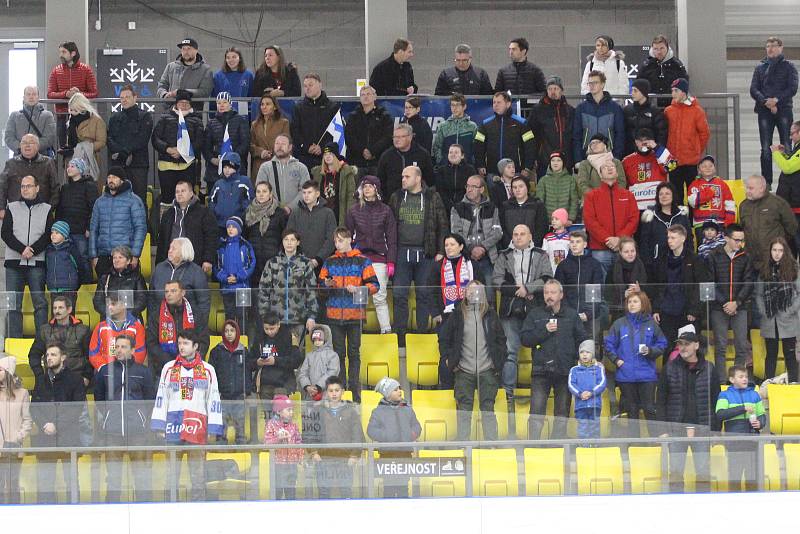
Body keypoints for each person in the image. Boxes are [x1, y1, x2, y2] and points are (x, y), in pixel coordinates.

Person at [151, 329, 223, 501]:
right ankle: (170, 506)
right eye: (179, 343)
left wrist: (213, 428)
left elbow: (213, 399)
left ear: (196, 346)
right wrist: (159, 425)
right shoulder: (169, 368)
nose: (181, 347)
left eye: (185, 343)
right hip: (173, 424)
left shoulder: (208, 370)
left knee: (198, 475)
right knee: (171, 475)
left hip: (197, 425)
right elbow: (162, 397)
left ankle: (198, 508)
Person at [521, 279, 590, 440]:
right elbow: (525, 339)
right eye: (546, 292)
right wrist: (543, 331)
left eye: (553, 292)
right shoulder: (535, 314)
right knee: (536, 413)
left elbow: (582, 339)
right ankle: (533, 446)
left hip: (565, 371)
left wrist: (585, 357)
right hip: (540, 371)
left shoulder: (572, 315)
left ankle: (557, 446)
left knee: (562, 414)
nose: (549, 296)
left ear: (561, 295)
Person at [657, 325, 721, 493]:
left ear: (696, 345)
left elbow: (716, 402)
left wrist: (715, 430)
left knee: (703, 473)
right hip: (676, 429)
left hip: (702, 430)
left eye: (686, 344)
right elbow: (661, 401)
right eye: (680, 344)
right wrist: (663, 429)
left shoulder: (709, 368)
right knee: (676, 473)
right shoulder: (669, 368)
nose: (683, 347)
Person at [438, 281, 505, 440]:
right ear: (465, 293)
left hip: (487, 369)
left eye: (477, 290)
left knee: (488, 409)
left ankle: (491, 445)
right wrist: (448, 359)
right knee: (464, 411)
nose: (472, 293)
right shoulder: (457, 315)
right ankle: (462, 446)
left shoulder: (491, 314)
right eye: (469, 290)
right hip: (463, 370)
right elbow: (444, 338)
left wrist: (498, 362)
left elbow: (501, 340)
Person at [388, 166, 449, 341]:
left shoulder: (432, 196)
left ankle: (421, 334)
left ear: (418, 178)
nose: (403, 179)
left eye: (407, 176)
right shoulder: (397, 197)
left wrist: (440, 251)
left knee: (424, 294)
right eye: (402, 176)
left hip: (426, 253)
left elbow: (442, 224)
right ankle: (400, 336)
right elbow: (389, 226)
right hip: (401, 252)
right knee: (399, 295)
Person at [93, 333, 155, 502]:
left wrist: (141, 417)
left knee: (141, 475)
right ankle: (111, 510)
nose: (119, 350)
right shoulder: (105, 371)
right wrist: (108, 415)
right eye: (117, 346)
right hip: (112, 431)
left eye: (123, 347)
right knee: (113, 477)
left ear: (133, 350)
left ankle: (144, 507)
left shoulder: (143, 371)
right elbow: (99, 398)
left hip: (137, 432)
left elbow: (150, 399)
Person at [320, 227, 379, 402]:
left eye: (340, 240)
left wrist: (360, 289)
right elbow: (320, 285)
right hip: (334, 314)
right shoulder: (329, 262)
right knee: (338, 353)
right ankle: (341, 389)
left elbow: (375, 286)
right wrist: (327, 284)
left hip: (355, 315)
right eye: (335, 241)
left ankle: (355, 389)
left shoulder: (363, 261)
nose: (337, 244)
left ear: (348, 240)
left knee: (354, 353)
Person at [493, 224, 553, 396]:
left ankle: (538, 391)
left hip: (535, 309)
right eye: (515, 234)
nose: (518, 237)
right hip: (510, 309)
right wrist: (518, 291)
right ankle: (508, 393)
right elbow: (497, 280)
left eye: (522, 234)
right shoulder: (504, 255)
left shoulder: (541, 255)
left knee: (539, 351)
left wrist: (528, 288)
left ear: (530, 236)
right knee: (510, 351)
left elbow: (547, 277)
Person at [604, 291, 667, 437]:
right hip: (626, 375)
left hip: (647, 375)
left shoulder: (652, 324)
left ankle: (656, 440)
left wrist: (651, 351)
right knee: (631, 410)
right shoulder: (619, 323)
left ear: (643, 304)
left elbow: (663, 343)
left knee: (649, 408)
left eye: (635, 301)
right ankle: (634, 441)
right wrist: (617, 360)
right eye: (629, 302)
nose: (631, 304)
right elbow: (608, 344)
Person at [30, 343, 87, 503]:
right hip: (44, 437)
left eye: (53, 355)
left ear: (63, 357)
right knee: (45, 482)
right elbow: (34, 407)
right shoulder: (41, 380)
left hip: (69, 436)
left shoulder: (75, 379)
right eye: (47, 355)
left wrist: (57, 425)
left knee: (71, 480)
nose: (49, 358)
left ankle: (74, 510)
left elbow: (76, 408)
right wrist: (44, 425)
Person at [2, 174, 53, 335]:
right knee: (13, 304)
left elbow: (48, 234)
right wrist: (22, 249)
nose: (25, 189)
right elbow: (6, 233)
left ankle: (42, 341)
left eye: (29, 186)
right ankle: (14, 340)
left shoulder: (47, 209)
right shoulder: (12, 207)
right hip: (13, 263)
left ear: (37, 188)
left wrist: (33, 250)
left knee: (40, 304)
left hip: (36, 263)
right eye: (23, 186)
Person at [346, 175, 397, 334]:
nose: (366, 189)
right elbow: (347, 236)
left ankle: (386, 331)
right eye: (364, 186)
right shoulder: (353, 210)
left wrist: (391, 261)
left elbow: (392, 237)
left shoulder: (386, 210)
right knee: (359, 297)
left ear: (376, 189)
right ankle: (357, 332)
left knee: (379, 296)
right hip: (358, 259)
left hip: (379, 258)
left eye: (370, 186)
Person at [649, 225, 709, 352]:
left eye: (673, 237)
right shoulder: (662, 259)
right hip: (667, 311)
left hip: (687, 312)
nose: (669, 240)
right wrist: (656, 309)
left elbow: (700, 286)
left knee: (689, 349)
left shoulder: (695, 259)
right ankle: (669, 372)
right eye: (668, 237)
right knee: (667, 348)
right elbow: (657, 286)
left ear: (683, 238)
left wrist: (694, 310)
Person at [303, 375, 364, 499]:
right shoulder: (318, 410)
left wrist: (354, 455)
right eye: (331, 391)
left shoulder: (351, 411)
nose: (334, 394)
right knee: (324, 492)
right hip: (323, 459)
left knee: (346, 492)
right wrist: (314, 453)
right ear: (326, 392)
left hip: (345, 460)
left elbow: (357, 434)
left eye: (337, 390)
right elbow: (309, 433)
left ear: (343, 392)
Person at [707, 224, 755, 380]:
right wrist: (725, 303)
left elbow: (748, 282)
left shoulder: (746, 257)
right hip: (718, 307)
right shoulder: (714, 256)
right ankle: (721, 380)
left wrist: (737, 302)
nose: (739, 244)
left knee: (741, 346)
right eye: (736, 240)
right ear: (726, 238)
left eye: (742, 240)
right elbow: (710, 283)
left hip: (739, 307)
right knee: (720, 346)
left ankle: (738, 379)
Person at [750, 37, 798, 187]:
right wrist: (766, 102)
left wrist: (776, 100)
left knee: (787, 144)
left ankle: (790, 178)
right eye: (768, 46)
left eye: (773, 46)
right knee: (765, 147)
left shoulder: (789, 67)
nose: (770, 48)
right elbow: (754, 89)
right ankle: (767, 182)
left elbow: (792, 88)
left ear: (781, 48)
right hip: (764, 111)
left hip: (784, 110)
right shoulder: (760, 68)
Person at [450, 175, 503, 303]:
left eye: (473, 187)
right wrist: (472, 248)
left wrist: (483, 247)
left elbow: (497, 232)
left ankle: (490, 323)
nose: (469, 189)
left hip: (488, 258)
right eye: (467, 186)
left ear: (482, 189)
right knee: (466, 297)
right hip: (466, 258)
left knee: (489, 295)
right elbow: (456, 233)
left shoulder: (492, 207)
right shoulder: (457, 208)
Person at [257, 229, 319, 340]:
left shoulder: (305, 263)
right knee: (276, 355)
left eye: (292, 239)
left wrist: (311, 316)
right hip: (275, 322)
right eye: (286, 239)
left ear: (298, 242)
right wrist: (265, 316)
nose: (289, 242)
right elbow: (263, 291)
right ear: (282, 242)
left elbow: (312, 291)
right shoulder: (273, 263)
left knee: (297, 355)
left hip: (298, 319)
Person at [754, 237, 800, 382]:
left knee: (790, 354)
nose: (777, 253)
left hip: (789, 318)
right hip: (769, 318)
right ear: (770, 251)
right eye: (774, 250)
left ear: (785, 252)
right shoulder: (764, 269)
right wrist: (764, 311)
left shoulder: (793, 269)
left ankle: (793, 383)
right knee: (771, 354)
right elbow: (759, 294)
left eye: (780, 250)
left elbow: (799, 293)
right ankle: (769, 384)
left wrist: (790, 309)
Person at [583, 161, 639, 276]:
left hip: (623, 248)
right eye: (605, 167)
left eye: (612, 166)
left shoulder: (628, 195)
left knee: (624, 284)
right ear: (600, 174)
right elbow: (590, 221)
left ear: (617, 173)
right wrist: (607, 239)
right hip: (600, 249)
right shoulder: (591, 196)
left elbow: (633, 219)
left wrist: (620, 239)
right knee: (601, 285)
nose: (609, 169)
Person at [368, 377, 421, 499]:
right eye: (395, 389)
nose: (399, 391)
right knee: (389, 489)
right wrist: (387, 436)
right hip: (387, 456)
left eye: (400, 388)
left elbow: (417, 426)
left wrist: (411, 435)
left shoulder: (407, 409)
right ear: (387, 394)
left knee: (403, 488)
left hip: (405, 455)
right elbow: (371, 430)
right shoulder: (378, 411)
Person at [716, 365, 766, 492]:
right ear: (732, 379)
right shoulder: (724, 395)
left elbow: (762, 415)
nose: (745, 379)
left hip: (753, 440)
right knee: (735, 475)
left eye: (746, 377)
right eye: (741, 377)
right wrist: (742, 408)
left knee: (753, 476)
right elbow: (720, 414)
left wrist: (760, 423)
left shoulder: (754, 394)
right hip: (734, 441)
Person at [88, 167, 147, 277]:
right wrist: (94, 256)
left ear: (122, 180)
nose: (111, 180)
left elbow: (140, 228)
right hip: (104, 256)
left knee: (125, 293)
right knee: (104, 292)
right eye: (109, 177)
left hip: (125, 256)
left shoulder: (134, 200)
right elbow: (93, 229)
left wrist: (134, 255)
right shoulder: (99, 202)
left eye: (114, 177)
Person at [150, 90, 204, 208]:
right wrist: (168, 149)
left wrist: (183, 152)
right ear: (176, 104)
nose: (183, 105)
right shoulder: (165, 118)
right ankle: (166, 224)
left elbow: (200, 141)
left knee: (186, 201)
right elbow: (155, 138)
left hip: (187, 166)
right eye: (181, 102)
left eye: (186, 103)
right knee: (167, 201)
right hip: (166, 166)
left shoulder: (197, 120)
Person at [146, 279, 210, 374]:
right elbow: (151, 344)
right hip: (164, 369)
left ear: (183, 292)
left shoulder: (195, 313)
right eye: (166, 291)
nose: (169, 294)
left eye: (173, 291)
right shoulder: (156, 315)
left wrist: (192, 360)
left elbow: (203, 340)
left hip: (192, 368)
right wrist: (171, 363)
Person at [739, 174, 798, 272]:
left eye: (751, 188)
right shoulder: (743, 206)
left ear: (761, 188)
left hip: (773, 261)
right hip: (751, 261)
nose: (747, 191)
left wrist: (779, 243)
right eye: (747, 188)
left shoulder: (778, 203)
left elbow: (792, 228)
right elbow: (742, 228)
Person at [28, 294, 91, 386]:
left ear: (69, 309)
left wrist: (87, 376)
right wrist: (40, 376)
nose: (57, 311)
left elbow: (90, 356)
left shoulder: (83, 330)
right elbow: (34, 355)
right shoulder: (44, 330)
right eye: (54, 308)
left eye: (61, 307)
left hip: (76, 377)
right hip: (52, 378)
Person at [665, 78, 711, 204]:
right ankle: (679, 221)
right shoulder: (668, 111)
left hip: (691, 161)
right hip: (673, 160)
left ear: (684, 92)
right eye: (672, 91)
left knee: (693, 194)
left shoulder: (697, 111)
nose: (673, 94)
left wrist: (696, 150)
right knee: (676, 195)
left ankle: (692, 222)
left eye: (676, 90)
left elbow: (704, 133)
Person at [554, 231, 607, 339]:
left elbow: (597, 292)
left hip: (590, 315)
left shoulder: (594, 264)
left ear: (585, 244)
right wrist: (569, 313)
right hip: (568, 314)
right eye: (572, 242)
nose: (574, 244)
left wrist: (588, 314)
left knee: (590, 345)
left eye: (578, 242)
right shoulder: (563, 265)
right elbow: (559, 292)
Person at [149, 239, 211, 333]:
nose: (169, 250)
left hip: (188, 326)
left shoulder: (196, 271)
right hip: (161, 323)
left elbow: (204, 302)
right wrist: (153, 322)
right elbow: (151, 298)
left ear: (184, 251)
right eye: (170, 248)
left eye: (173, 248)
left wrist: (200, 327)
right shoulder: (159, 268)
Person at [156, 179, 218, 272]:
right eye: (177, 191)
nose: (179, 194)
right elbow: (162, 242)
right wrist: (159, 264)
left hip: (194, 263)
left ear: (191, 193)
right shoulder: (168, 214)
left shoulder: (204, 212)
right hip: (170, 263)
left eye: (183, 191)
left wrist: (208, 259)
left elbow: (211, 236)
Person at [106, 84, 154, 205]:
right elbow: (109, 138)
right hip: (119, 164)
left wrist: (126, 151)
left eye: (127, 96)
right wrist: (120, 152)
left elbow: (142, 139)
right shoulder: (114, 117)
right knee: (117, 199)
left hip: (138, 165)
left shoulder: (145, 116)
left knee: (138, 199)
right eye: (122, 97)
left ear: (135, 97)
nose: (124, 100)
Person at [474, 91, 535, 179]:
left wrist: (527, 167)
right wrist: (480, 165)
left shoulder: (522, 123)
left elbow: (530, 146)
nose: (495, 105)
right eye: (494, 102)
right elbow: (478, 146)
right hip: (492, 172)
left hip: (516, 172)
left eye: (499, 102)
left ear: (508, 104)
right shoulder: (485, 124)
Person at [47, 42, 98, 145]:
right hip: (62, 115)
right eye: (60, 52)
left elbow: (94, 93)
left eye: (64, 52)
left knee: (84, 145)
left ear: (73, 53)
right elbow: (50, 94)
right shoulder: (56, 71)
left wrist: (78, 94)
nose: (61, 55)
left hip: (83, 116)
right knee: (63, 147)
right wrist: (66, 94)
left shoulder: (86, 70)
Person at [208, 320, 250, 444]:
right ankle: (221, 443)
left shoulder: (243, 351)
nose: (229, 334)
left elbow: (247, 373)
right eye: (226, 331)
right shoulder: (216, 351)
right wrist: (215, 392)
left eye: (232, 330)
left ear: (237, 332)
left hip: (239, 395)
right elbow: (212, 373)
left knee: (240, 421)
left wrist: (246, 391)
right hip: (222, 395)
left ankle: (241, 444)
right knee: (222, 422)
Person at [527, 77, 575, 176]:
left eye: (556, 88)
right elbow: (531, 135)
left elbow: (574, 136)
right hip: (545, 161)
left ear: (561, 91)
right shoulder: (537, 110)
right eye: (550, 89)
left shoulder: (570, 110)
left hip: (566, 161)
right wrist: (534, 157)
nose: (553, 92)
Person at [638, 181, 692, 271]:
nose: (664, 196)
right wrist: (648, 264)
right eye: (661, 194)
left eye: (667, 193)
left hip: (680, 264)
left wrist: (689, 261)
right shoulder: (650, 216)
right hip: (656, 265)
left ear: (673, 196)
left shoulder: (682, 216)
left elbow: (689, 239)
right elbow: (644, 243)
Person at [573, 71, 625, 163]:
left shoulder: (615, 108)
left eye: (595, 82)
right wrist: (578, 160)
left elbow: (620, 135)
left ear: (603, 84)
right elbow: (576, 136)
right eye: (590, 83)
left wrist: (616, 157)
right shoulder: (581, 108)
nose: (592, 85)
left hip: (609, 157)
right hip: (587, 157)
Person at [245, 180, 289, 288]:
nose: (261, 194)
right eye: (258, 192)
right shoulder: (248, 213)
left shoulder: (280, 213)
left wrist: (279, 254)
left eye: (264, 191)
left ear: (270, 193)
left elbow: (285, 235)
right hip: (253, 260)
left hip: (273, 260)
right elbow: (245, 236)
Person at [0, 355, 32, 503]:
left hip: (13, 446)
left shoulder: (22, 393)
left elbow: (27, 420)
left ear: (8, 372)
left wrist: (18, 437)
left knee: (13, 484)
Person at [290, 73, 339, 169]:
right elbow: (295, 132)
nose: (307, 88)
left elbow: (335, 135)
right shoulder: (298, 108)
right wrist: (307, 147)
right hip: (303, 159)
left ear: (320, 85)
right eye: (305, 86)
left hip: (326, 158)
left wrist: (323, 148)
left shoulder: (332, 107)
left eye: (310, 85)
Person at [286, 180, 337, 271]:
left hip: (322, 264)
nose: (306, 195)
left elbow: (331, 239)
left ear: (317, 194)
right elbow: (289, 236)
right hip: (298, 264)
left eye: (309, 192)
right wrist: (296, 257)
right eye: (304, 192)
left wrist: (318, 259)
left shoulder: (328, 213)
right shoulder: (295, 213)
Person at [249, 313, 303, 401]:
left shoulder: (289, 337)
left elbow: (296, 361)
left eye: (272, 328)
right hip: (265, 383)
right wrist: (257, 362)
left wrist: (275, 361)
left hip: (284, 382)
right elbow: (249, 361)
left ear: (278, 325)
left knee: (283, 413)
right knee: (268, 414)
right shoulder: (259, 338)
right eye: (266, 329)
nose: (269, 331)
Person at [203, 92, 250, 188]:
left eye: (224, 102)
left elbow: (245, 143)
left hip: (236, 167)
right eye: (219, 103)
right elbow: (206, 146)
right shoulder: (211, 123)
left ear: (230, 103)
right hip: (215, 170)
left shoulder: (241, 120)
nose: (221, 105)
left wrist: (232, 158)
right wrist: (212, 159)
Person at [0, 134, 59, 211]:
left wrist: (49, 209)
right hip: (16, 211)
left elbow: (55, 188)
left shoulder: (48, 163)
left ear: (38, 146)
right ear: (20, 146)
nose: (27, 145)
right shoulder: (11, 163)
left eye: (31, 142)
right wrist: (2, 208)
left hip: (41, 211)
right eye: (24, 143)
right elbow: (2, 187)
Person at [88, 293, 147, 371]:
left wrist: (125, 370)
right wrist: (104, 368)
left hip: (129, 374)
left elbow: (140, 352)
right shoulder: (100, 327)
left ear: (123, 305)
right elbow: (93, 353)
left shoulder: (136, 327)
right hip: (106, 374)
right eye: (108, 304)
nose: (109, 307)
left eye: (113, 304)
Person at [215, 216, 256, 325]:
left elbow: (251, 264)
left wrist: (238, 277)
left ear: (239, 229)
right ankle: (229, 340)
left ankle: (243, 339)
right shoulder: (221, 246)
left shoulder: (245, 245)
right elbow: (217, 265)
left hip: (243, 287)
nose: (230, 229)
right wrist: (225, 278)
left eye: (234, 226)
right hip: (227, 288)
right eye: (228, 226)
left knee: (242, 316)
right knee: (229, 317)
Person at [376, 123, 435, 201]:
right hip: (392, 201)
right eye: (395, 137)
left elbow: (430, 180)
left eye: (401, 137)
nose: (397, 139)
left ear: (410, 137)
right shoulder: (386, 156)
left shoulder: (422, 154)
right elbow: (380, 180)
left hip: (417, 201)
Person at [430, 233, 475, 331]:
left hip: (469, 313)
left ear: (461, 246)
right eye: (446, 245)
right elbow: (431, 291)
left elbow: (480, 287)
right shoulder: (438, 266)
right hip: (444, 315)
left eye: (452, 244)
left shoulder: (472, 265)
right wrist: (436, 313)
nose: (448, 248)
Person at [344, 85, 393, 174]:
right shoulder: (353, 117)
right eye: (362, 95)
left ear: (375, 96)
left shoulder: (384, 116)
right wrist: (362, 150)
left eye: (368, 94)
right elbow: (349, 137)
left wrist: (372, 151)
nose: (365, 96)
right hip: (357, 163)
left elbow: (388, 137)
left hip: (378, 163)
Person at [686, 155, 736, 241]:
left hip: (720, 223)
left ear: (715, 168)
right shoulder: (694, 184)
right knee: (703, 250)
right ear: (699, 170)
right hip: (701, 224)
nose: (708, 168)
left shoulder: (722, 184)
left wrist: (729, 224)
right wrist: (710, 192)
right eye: (704, 166)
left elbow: (730, 204)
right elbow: (692, 201)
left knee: (720, 250)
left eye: (710, 165)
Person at [263, 395, 303, 500]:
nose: (291, 412)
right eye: (289, 410)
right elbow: (267, 443)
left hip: (291, 464)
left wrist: (300, 457)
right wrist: (278, 439)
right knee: (278, 491)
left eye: (292, 410)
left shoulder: (294, 426)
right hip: (277, 464)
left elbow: (298, 442)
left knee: (291, 491)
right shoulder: (271, 425)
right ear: (279, 411)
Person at [622, 129, 673, 211]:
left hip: (658, 207)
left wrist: (656, 147)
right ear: (636, 142)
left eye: (647, 140)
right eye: (640, 140)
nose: (644, 143)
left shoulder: (660, 155)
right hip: (636, 208)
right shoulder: (626, 161)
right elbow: (622, 184)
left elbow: (672, 166)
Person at [255, 134, 310, 210]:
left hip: (296, 214)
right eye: (277, 143)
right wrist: (276, 209)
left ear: (290, 147)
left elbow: (305, 191)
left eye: (283, 144)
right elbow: (261, 191)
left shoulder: (301, 168)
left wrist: (290, 207)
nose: (279, 146)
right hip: (271, 214)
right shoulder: (265, 167)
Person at [93, 245, 148, 320]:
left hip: (131, 319)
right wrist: (110, 313)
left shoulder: (137, 277)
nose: (116, 260)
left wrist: (126, 314)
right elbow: (97, 301)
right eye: (114, 258)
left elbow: (142, 300)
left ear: (128, 261)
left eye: (120, 257)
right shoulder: (105, 278)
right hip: (109, 320)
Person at [568, 340, 606, 440]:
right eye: (582, 352)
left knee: (595, 427)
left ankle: (595, 447)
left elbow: (602, 383)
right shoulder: (574, 370)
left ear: (592, 354)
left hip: (595, 404)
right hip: (580, 405)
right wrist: (580, 394)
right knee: (583, 428)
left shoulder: (598, 369)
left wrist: (591, 393)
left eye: (588, 352)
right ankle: (584, 448)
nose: (584, 355)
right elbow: (571, 385)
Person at [311, 142, 357, 224]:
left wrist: (349, 216)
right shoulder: (318, 173)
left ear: (336, 156)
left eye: (331, 154)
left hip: (340, 215)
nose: (327, 156)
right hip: (322, 216)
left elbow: (351, 195)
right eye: (325, 154)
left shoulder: (346, 172)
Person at [45, 220, 89, 305]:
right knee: (56, 315)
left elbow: (80, 267)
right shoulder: (49, 250)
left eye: (57, 233)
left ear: (64, 235)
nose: (53, 235)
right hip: (53, 289)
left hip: (69, 290)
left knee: (69, 314)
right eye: (52, 233)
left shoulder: (71, 250)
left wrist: (75, 284)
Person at [4, 86, 57, 157]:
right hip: (19, 159)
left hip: (42, 160)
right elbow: (9, 137)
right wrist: (22, 148)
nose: (31, 97)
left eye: (34, 94)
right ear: (24, 97)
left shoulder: (48, 115)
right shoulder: (14, 116)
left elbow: (49, 138)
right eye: (28, 94)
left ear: (38, 97)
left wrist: (33, 149)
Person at [157, 37, 214, 102]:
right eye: (183, 49)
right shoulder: (171, 66)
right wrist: (164, 94)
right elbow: (161, 85)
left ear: (196, 50)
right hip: (172, 108)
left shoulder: (206, 69)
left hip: (194, 109)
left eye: (189, 49)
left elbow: (205, 92)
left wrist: (184, 92)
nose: (186, 51)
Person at [605, 237, 648, 321]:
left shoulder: (643, 266)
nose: (630, 254)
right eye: (626, 252)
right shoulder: (613, 268)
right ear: (620, 252)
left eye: (632, 251)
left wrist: (640, 290)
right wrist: (623, 294)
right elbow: (607, 293)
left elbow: (652, 289)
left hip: (640, 310)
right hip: (619, 311)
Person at [640, 35, 689, 108]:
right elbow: (639, 85)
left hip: (673, 106)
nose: (659, 52)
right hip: (652, 107)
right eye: (655, 49)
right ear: (652, 49)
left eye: (661, 48)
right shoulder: (646, 66)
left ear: (667, 48)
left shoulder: (677, 65)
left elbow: (684, 85)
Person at [500, 175, 548, 249]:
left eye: (521, 186)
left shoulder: (537, 205)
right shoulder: (505, 206)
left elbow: (542, 228)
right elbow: (502, 228)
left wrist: (531, 244)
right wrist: (510, 244)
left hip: (533, 248)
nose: (517, 190)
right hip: (510, 248)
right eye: (514, 187)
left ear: (527, 188)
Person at [208, 152, 254, 232]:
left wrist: (241, 214)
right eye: (225, 167)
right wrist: (216, 212)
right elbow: (211, 201)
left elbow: (250, 200)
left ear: (236, 168)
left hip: (238, 224)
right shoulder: (218, 183)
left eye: (230, 167)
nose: (227, 170)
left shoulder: (244, 181)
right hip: (221, 224)